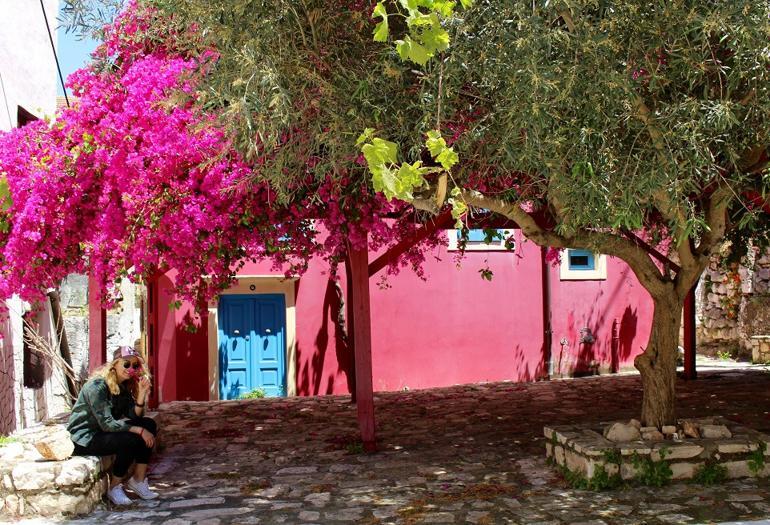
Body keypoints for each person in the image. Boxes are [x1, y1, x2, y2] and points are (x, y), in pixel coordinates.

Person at [67, 345, 159, 505]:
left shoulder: (122, 386)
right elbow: (107, 424)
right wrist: (139, 430)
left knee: (149, 424)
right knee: (132, 438)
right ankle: (115, 487)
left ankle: (138, 479)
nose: (130, 368)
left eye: (135, 365)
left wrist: (142, 395)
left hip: (103, 433)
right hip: (86, 438)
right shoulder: (97, 387)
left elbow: (133, 416)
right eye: (126, 364)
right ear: (115, 364)